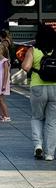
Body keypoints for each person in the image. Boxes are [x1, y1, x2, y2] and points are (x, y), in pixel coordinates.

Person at [21, 23, 56, 161]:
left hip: (37, 87)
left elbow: (25, 67)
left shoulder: (33, 50)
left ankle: (38, 145)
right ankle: (50, 154)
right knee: (52, 122)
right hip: (55, 87)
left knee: (37, 117)